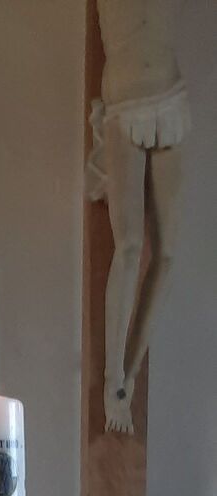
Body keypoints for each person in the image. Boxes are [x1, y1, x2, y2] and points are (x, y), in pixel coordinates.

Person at [86, 0, 190, 435]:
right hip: (125, 103)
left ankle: (128, 378)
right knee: (128, 246)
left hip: (170, 96)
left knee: (166, 255)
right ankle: (113, 381)